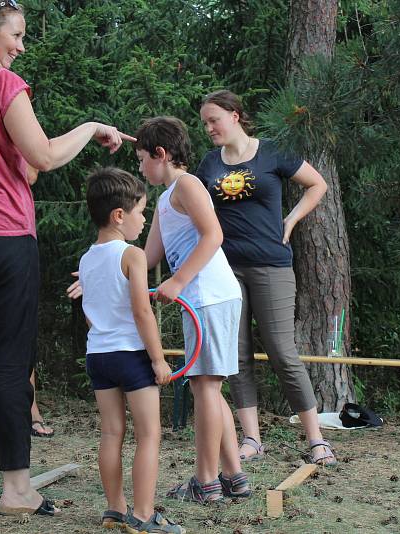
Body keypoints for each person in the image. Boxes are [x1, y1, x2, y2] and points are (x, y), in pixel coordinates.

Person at [0, 0, 132, 516]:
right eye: (15, 35)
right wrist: (91, 126)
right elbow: (45, 157)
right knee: (11, 362)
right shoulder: (1, 86)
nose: (20, 46)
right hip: (0, 236)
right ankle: (16, 490)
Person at [196, 90, 336, 465]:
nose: (209, 128)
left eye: (214, 120)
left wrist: (291, 219)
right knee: (237, 356)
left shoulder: (272, 151)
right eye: (205, 123)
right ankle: (252, 439)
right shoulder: (209, 165)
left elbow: (317, 184)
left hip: (272, 265)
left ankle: (317, 440)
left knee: (282, 351)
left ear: (235, 116)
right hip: (225, 270)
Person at [136, 117, 250, 504]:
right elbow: (147, 256)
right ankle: (233, 476)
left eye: (141, 160)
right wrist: (103, 267)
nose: (139, 168)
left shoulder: (188, 184)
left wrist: (179, 281)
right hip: (202, 297)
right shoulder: (165, 197)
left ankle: (206, 481)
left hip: (208, 294)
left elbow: (213, 234)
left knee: (206, 386)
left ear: (160, 154)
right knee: (209, 386)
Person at [78, 168, 183, 533]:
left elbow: (92, 316)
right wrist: (157, 359)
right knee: (149, 434)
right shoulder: (133, 255)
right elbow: (142, 311)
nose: (144, 220)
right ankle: (142, 514)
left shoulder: (87, 260)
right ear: (119, 215)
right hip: (131, 356)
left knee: (110, 433)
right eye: (141, 211)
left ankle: (114, 509)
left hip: (99, 356)